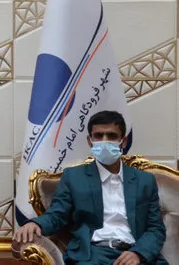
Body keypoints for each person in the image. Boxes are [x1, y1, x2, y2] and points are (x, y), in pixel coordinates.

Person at [13, 111, 167, 265]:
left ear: (123, 141)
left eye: (112, 136)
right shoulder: (73, 177)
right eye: (98, 136)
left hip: (135, 253)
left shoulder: (145, 181)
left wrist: (138, 254)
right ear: (89, 140)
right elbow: (56, 215)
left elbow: (155, 228)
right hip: (93, 255)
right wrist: (36, 224)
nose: (104, 141)